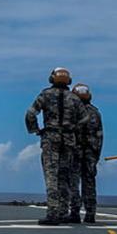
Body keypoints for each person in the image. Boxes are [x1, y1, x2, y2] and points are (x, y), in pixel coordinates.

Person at [25, 67, 89, 225]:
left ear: (52, 78)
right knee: (64, 176)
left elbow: (31, 113)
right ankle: (62, 211)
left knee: (51, 176)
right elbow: (85, 118)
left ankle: (53, 213)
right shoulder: (74, 98)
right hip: (68, 140)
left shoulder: (45, 94)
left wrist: (35, 130)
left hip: (51, 138)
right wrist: (73, 127)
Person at [68, 83, 103, 224]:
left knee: (73, 182)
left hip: (75, 152)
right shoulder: (95, 112)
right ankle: (90, 213)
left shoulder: (72, 112)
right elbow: (100, 136)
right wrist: (96, 155)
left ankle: (74, 212)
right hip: (91, 153)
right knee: (89, 182)